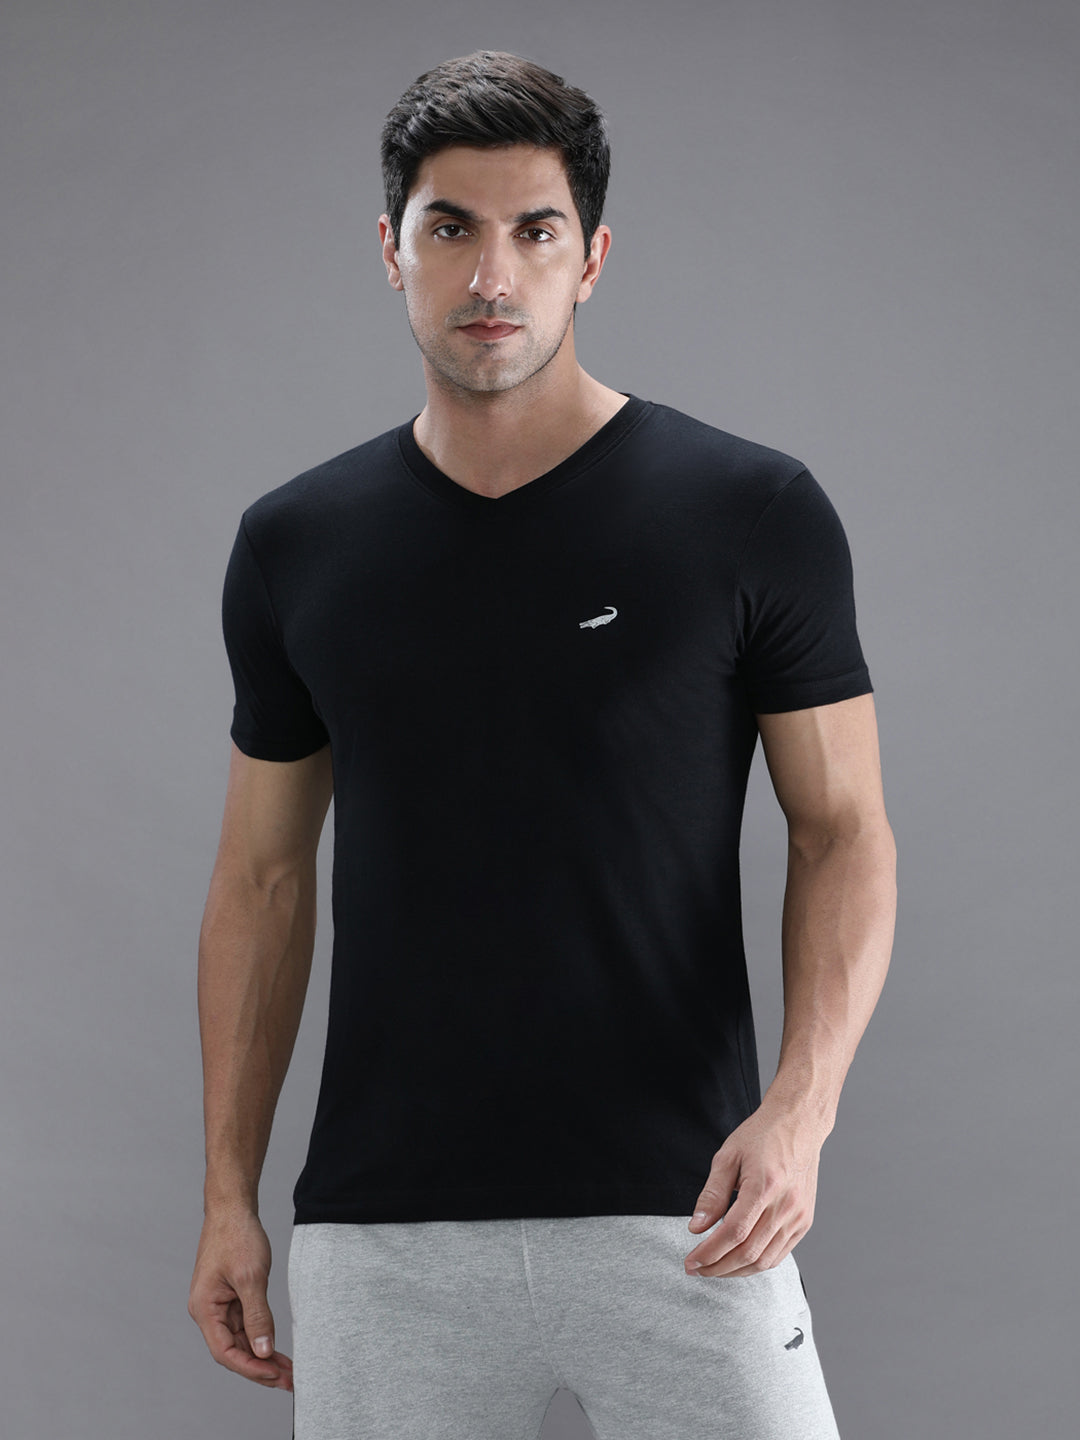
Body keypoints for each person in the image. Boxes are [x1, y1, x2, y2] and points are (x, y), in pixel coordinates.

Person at [188, 49, 897, 1440]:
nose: (491, 274)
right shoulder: (296, 545)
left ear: (593, 258)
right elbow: (260, 881)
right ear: (390, 250)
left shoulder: (750, 512)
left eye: (535, 231)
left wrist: (802, 1112)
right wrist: (226, 1192)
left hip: (692, 1212)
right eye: (450, 227)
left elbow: (845, 830)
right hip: (384, 1233)